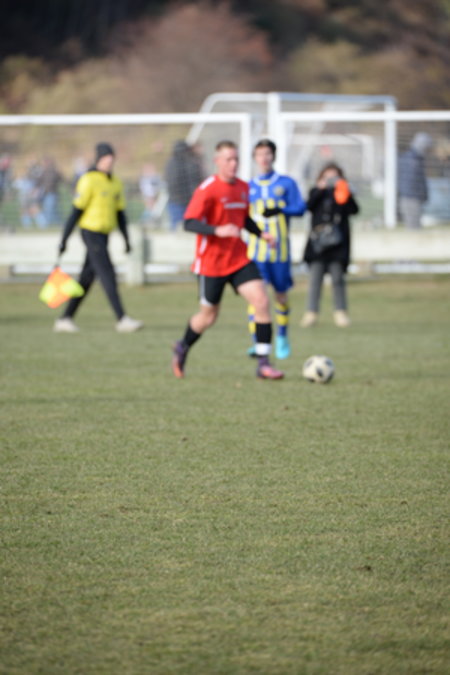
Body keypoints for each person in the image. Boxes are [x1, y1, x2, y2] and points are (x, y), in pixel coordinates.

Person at [171, 140, 284, 380]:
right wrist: (217, 230)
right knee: (208, 317)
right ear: (217, 161)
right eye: (228, 159)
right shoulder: (208, 188)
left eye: (236, 159)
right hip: (211, 263)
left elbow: (243, 219)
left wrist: (261, 234)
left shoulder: (243, 187)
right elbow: (189, 222)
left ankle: (263, 363)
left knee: (261, 300)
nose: (233, 164)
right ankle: (183, 346)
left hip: (238, 258)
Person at [53, 142, 143, 333]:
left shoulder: (115, 182)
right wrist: (64, 239)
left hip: (104, 235)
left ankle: (65, 318)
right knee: (107, 274)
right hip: (90, 233)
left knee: (86, 278)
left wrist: (126, 240)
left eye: (111, 160)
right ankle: (122, 319)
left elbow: (120, 215)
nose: (109, 163)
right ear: (98, 160)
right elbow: (76, 212)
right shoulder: (88, 180)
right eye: (105, 159)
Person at [246, 139, 306, 359]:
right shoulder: (248, 187)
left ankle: (282, 336)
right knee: (256, 297)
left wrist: (281, 209)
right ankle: (257, 341)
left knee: (280, 295)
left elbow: (301, 208)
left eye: (267, 154)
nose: (264, 158)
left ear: (274, 156)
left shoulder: (286, 183)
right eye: (260, 154)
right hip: (255, 252)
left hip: (280, 252)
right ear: (254, 158)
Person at [301, 162, 359, 328]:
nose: (331, 180)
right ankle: (311, 312)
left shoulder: (342, 193)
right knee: (315, 279)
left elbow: (354, 210)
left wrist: (345, 191)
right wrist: (320, 189)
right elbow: (308, 206)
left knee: (337, 279)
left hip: (337, 243)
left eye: (335, 177)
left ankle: (340, 312)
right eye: (328, 177)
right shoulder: (316, 192)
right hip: (318, 244)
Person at [165, 140, 204, 231]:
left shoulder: (171, 163)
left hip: (181, 201)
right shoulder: (192, 162)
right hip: (180, 201)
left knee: (182, 228)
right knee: (183, 228)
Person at [398, 132, 433, 229]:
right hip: (412, 198)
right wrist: (422, 195)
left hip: (410, 197)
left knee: (414, 227)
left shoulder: (413, 158)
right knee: (413, 228)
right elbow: (414, 182)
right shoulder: (413, 160)